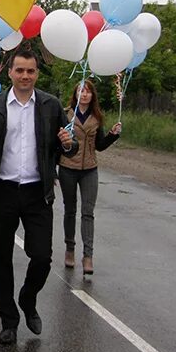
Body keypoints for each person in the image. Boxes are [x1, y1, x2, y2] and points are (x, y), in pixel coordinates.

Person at [0, 49, 77, 345]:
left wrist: (68, 143)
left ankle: (28, 299)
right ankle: (9, 321)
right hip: (1, 192)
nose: (25, 76)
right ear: (10, 73)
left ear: (36, 73)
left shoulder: (51, 106)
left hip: (37, 193)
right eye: (20, 71)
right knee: (0, 259)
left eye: (30, 71)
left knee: (41, 256)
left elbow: (69, 147)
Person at [59, 80, 121, 275]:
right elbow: (57, 142)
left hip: (89, 169)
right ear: (75, 94)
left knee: (88, 212)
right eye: (80, 91)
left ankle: (88, 256)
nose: (84, 94)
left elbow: (100, 145)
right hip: (68, 167)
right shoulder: (65, 113)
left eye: (88, 92)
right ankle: (70, 249)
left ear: (93, 96)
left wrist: (112, 135)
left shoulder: (96, 117)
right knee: (70, 210)